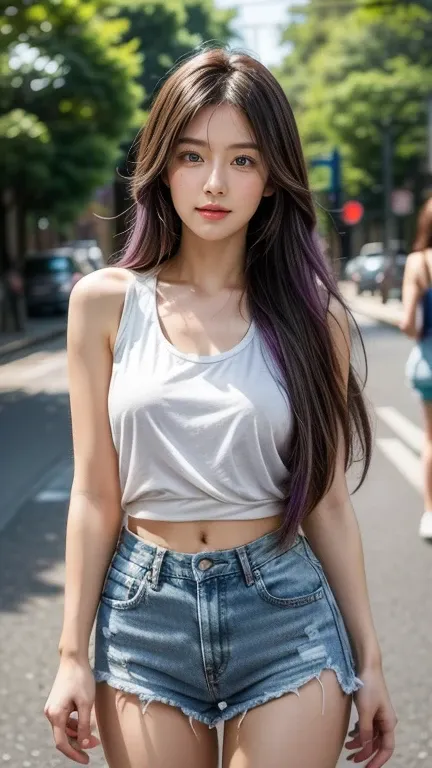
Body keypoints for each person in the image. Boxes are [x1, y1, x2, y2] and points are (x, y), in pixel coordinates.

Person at [44, 47, 397, 768]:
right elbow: (93, 495)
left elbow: (326, 499)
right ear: (160, 166)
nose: (213, 183)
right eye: (192, 155)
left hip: (284, 614)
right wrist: (71, 653)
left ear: (271, 179)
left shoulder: (310, 318)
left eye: (242, 160)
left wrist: (372, 660)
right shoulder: (104, 305)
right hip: (144, 617)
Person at [400, 197, 432, 539]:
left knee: (430, 439)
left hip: (428, 362)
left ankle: (430, 513)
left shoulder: (419, 263)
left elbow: (408, 322)